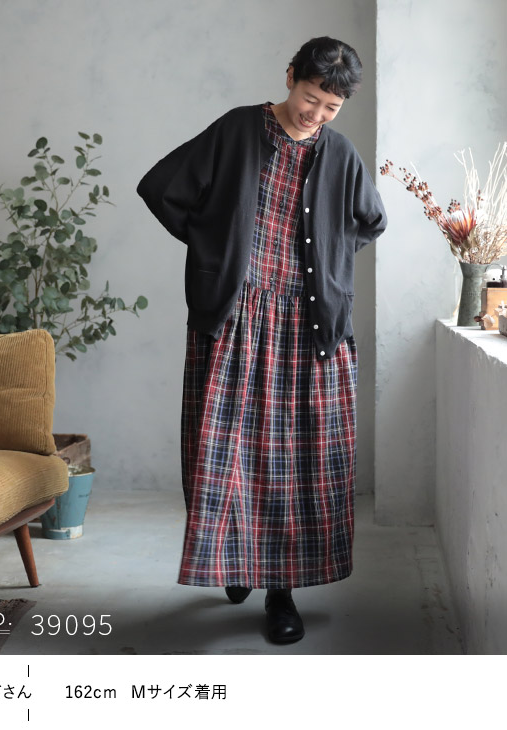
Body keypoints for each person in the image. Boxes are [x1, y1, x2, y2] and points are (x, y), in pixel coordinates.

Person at [137, 36, 387, 644]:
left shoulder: (340, 154)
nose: (316, 114)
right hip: (237, 317)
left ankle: (281, 591)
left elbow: (371, 220)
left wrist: (329, 263)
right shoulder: (237, 130)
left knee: (293, 464)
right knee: (226, 453)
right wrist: (215, 245)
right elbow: (160, 188)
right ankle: (236, 560)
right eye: (310, 98)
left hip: (310, 325)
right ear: (290, 77)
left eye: (331, 108)